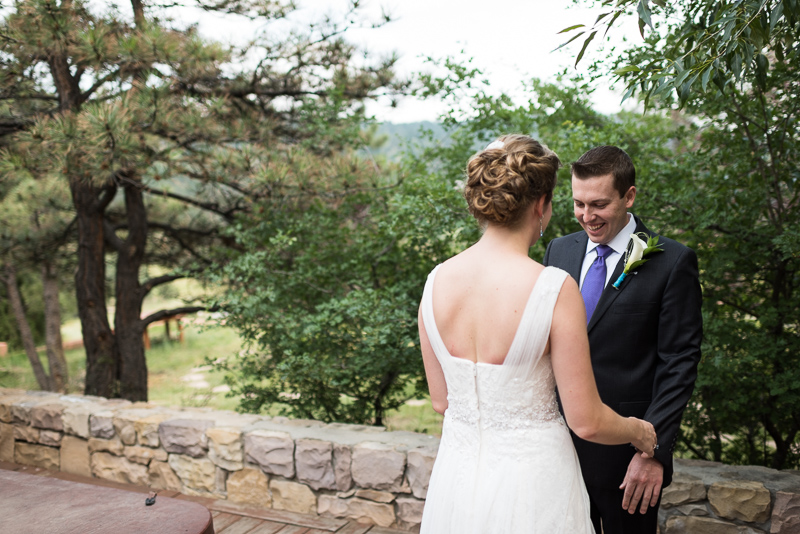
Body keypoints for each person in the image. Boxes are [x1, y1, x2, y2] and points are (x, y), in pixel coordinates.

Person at [418, 135, 657, 533]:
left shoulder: (436, 281)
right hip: (534, 483)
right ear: (542, 205)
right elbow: (586, 421)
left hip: (457, 480)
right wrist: (640, 430)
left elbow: (442, 401)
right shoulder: (552, 287)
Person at [543, 145, 702, 534]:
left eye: (598, 204)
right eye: (578, 204)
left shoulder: (672, 261)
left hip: (627, 457)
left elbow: (679, 362)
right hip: (554, 449)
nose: (586, 216)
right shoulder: (558, 250)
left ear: (628, 196)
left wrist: (654, 452)